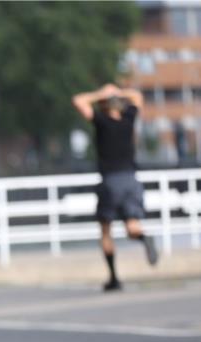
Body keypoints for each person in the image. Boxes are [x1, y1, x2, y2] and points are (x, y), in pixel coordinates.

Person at [72, 83, 158, 291]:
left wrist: (100, 93)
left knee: (105, 230)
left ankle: (113, 278)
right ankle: (144, 237)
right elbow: (137, 95)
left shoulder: (101, 121)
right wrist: (118, 92)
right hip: (131, 179)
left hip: (110, 181)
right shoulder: (128, 119)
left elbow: (78, 100)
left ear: (103, 105)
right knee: (132, 226)